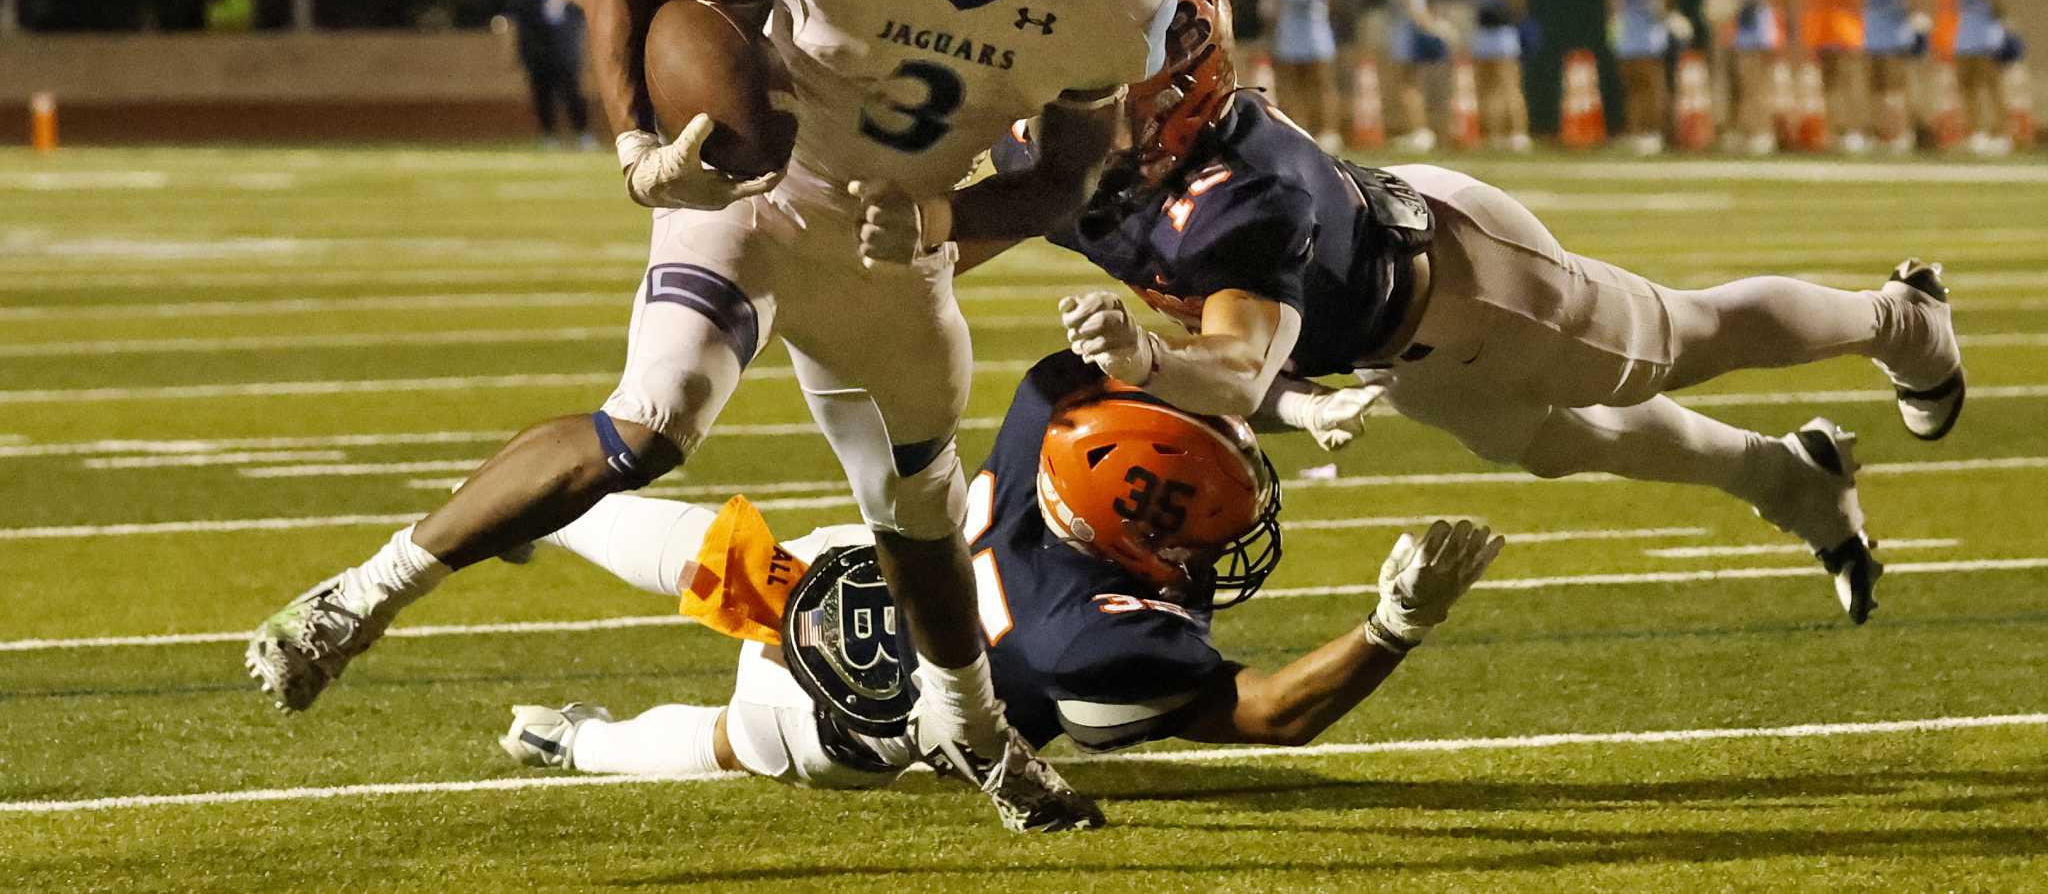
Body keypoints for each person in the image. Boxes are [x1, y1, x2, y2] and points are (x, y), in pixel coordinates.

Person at [245, 0, 1184, 834]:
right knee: (653, 418)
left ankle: (973, 734)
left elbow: (1065, 179)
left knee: (919, 508)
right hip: (749, 189)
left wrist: (940, 216)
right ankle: (358, 598)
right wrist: (640, 148)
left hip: (890, 241)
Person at [1000, 0, 1968, 627]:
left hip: (1463, 279)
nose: (1071, 106)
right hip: (1381, 336)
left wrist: (1148, 361)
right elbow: (946, 223)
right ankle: (1787, 478)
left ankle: (1899, 317)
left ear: (1178, 87)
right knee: (1548, 444)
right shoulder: (1065, 152)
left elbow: (1235, 363)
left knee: (1668, 346)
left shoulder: (1242, 186)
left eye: (1104, 85)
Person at [494, 355, 1501, 810]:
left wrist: (1174, 377)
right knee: (727, 742)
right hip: (851, 720)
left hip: (825, 584)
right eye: (1192, 536)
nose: (1204, 555)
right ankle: (572, 739)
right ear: (1128, 531)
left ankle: (539, 502)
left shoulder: (1043, 439)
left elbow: (1093, 379)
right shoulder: (1096, 640)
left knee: (712, 552)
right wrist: (1391, 625)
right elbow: (1274, 715)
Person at [510, 0, 595, 149]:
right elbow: (517, 18)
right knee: (542, 94)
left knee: (572, 92)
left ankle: (583, 134)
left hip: (565, 48)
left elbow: (592, 4)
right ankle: (549, 136)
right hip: (537, 50)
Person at [1257, 0, 1343, 151]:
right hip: (1288, 41)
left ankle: (1328, 132)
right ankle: (1296, 130)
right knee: (1291, 89)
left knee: (1322, 86)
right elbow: (1268, 12)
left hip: (1318, 40)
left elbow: (1332, 8)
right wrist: (1270, 38)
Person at [1796, 0, 1869, 152]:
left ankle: (1855, 129)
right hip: (1822, 34)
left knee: (1850, 82)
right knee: (1829, 86)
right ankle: (1835, 129)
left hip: (1845, 33)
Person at [1857, 0, 1929, 154]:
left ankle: (1902, 132)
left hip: (1894, 33)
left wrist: (1915, 25)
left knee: (1894, 85)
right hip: (1872, 33)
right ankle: (1881, 132)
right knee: (1874, 86)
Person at [1720, 0, 1787, 155]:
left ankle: (1763, 132)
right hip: (1740, 24)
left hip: (1758, 22)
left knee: (1757, 81)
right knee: (1743, 81)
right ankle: (1747, 130)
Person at [1607, 0, 1679, 154]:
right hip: (1627, 32)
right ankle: (1636, 131)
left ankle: (1656, 132)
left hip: (1648, 31)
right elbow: (1613, 1)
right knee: (1631, 85)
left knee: (1652, 84)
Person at [1463, 0, 1531, 153]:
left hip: (1502, 32)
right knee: (1486, 87)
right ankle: (1493, 134)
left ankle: (1518, 133)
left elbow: (1518, 4)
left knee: (1509, 84)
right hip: (1482, 34)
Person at [1950, 0, 2014, 156]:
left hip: (1986, 28)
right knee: (1966, 82)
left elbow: (1999, 0)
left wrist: (2003, 29)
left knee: (1990, 83)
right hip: (1966, 29)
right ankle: (1977, 132)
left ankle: (2001, 133)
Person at [1381, 0, 1453, 152]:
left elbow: (1417, 12)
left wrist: (1436, 28)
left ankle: (1420, 130)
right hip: (1404, 38)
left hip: (1407, 39)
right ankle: (1417, 130)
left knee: (1408, 87)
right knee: (1409, 86)